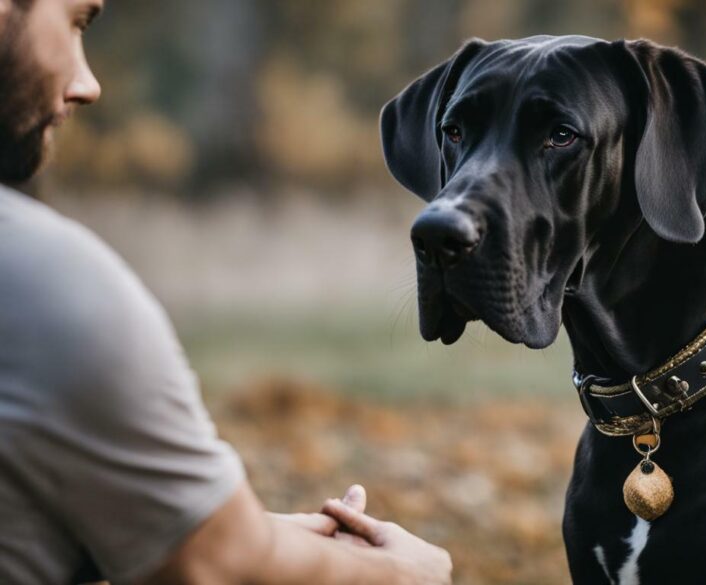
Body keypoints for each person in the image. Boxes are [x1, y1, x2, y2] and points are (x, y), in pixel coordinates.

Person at [0, 1, 453, 583]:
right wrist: (406, 573)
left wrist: (225, 524)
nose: (87, 84)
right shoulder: (45, 285)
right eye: (75, 22)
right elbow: (217, 566)